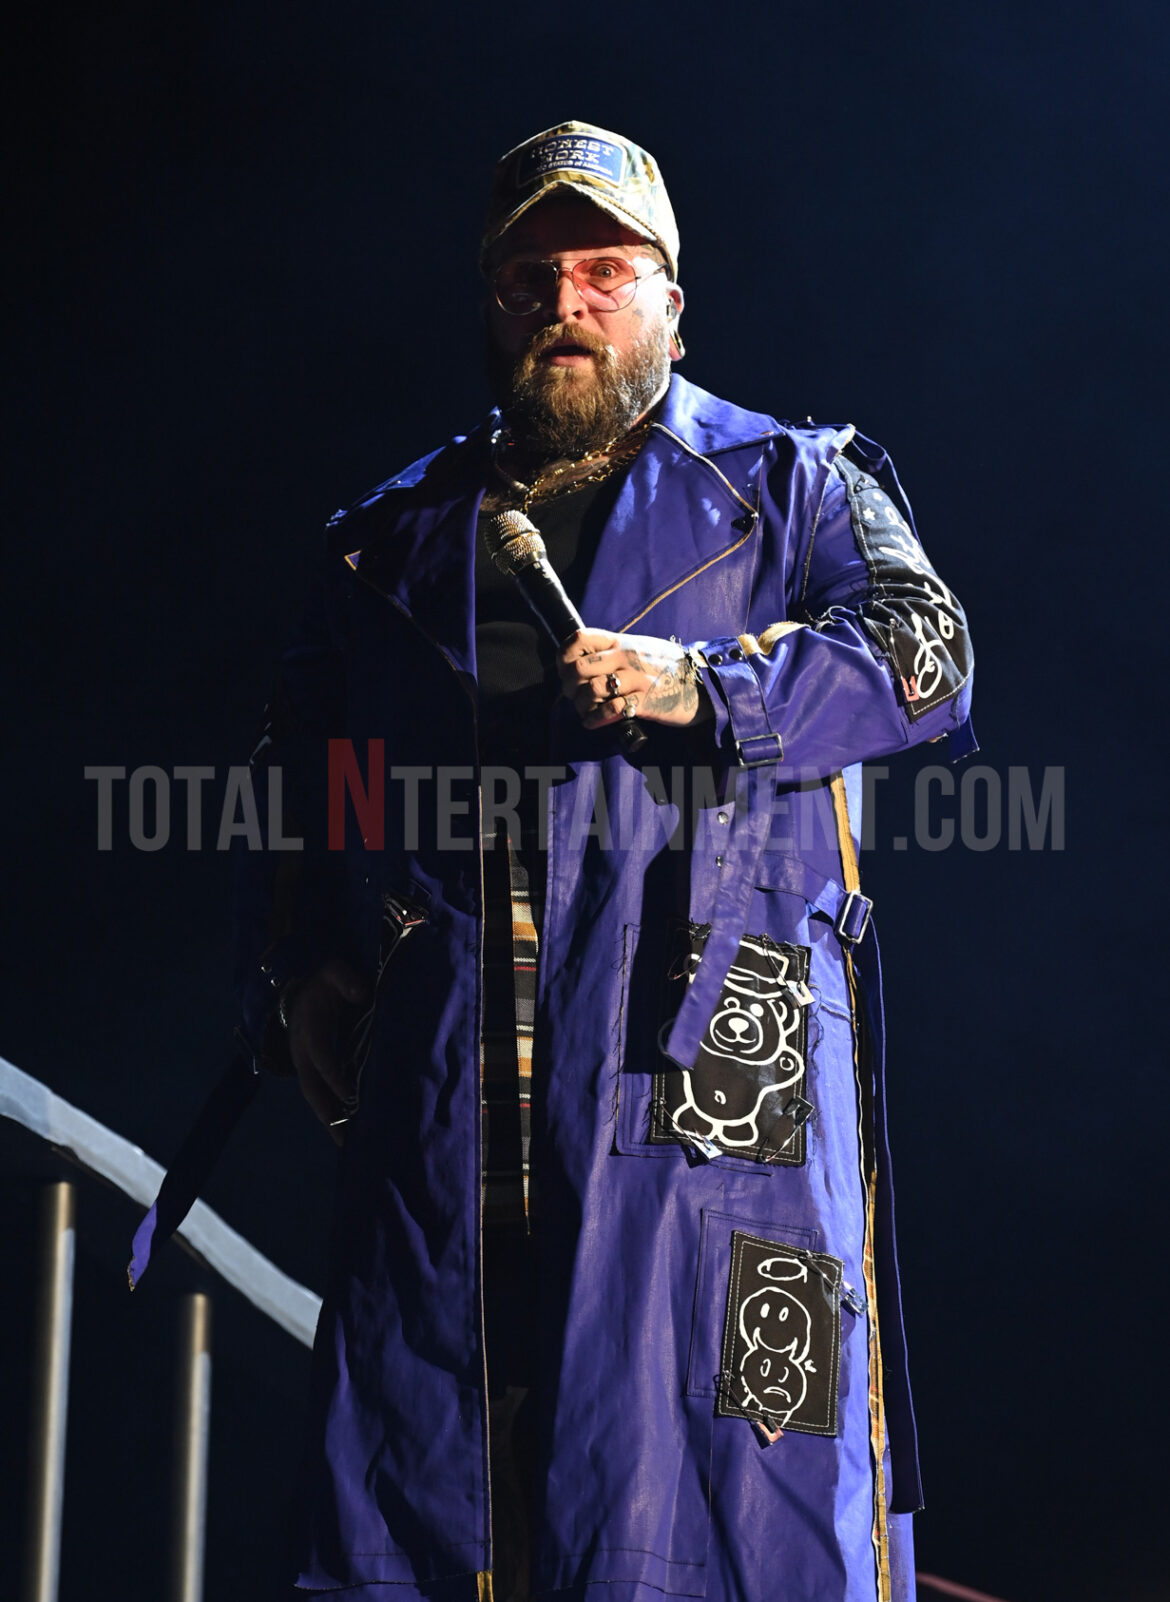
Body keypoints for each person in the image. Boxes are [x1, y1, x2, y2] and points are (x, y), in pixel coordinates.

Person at [236, 120, 975, 1602]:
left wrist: (710, 684)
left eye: (602, 272)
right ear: (491, 304)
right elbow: (303, 766)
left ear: (670, 305)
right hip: (453, 1116)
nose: (562, 303)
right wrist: (306, 962)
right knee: (431, 1505)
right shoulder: (390, 542)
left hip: (707, 1098)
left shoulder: (794, 483)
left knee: (722, 1516)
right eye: (529, 277)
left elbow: (928, 655)